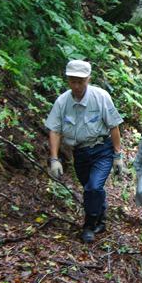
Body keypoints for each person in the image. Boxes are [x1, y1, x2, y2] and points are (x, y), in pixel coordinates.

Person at [45, 60, 124, 243]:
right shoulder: (63, 101)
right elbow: (55, 130)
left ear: (89, 79)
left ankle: (88, 225)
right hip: (80, 153)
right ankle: (101, 218)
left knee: (94, 187)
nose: (76, 85)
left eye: (81, 81)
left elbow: (114, 126)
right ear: (67, 80)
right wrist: (54, 159)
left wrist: (117, 155)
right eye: (72, 81)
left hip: (102, 149)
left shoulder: (101, 97)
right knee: (90, 189)